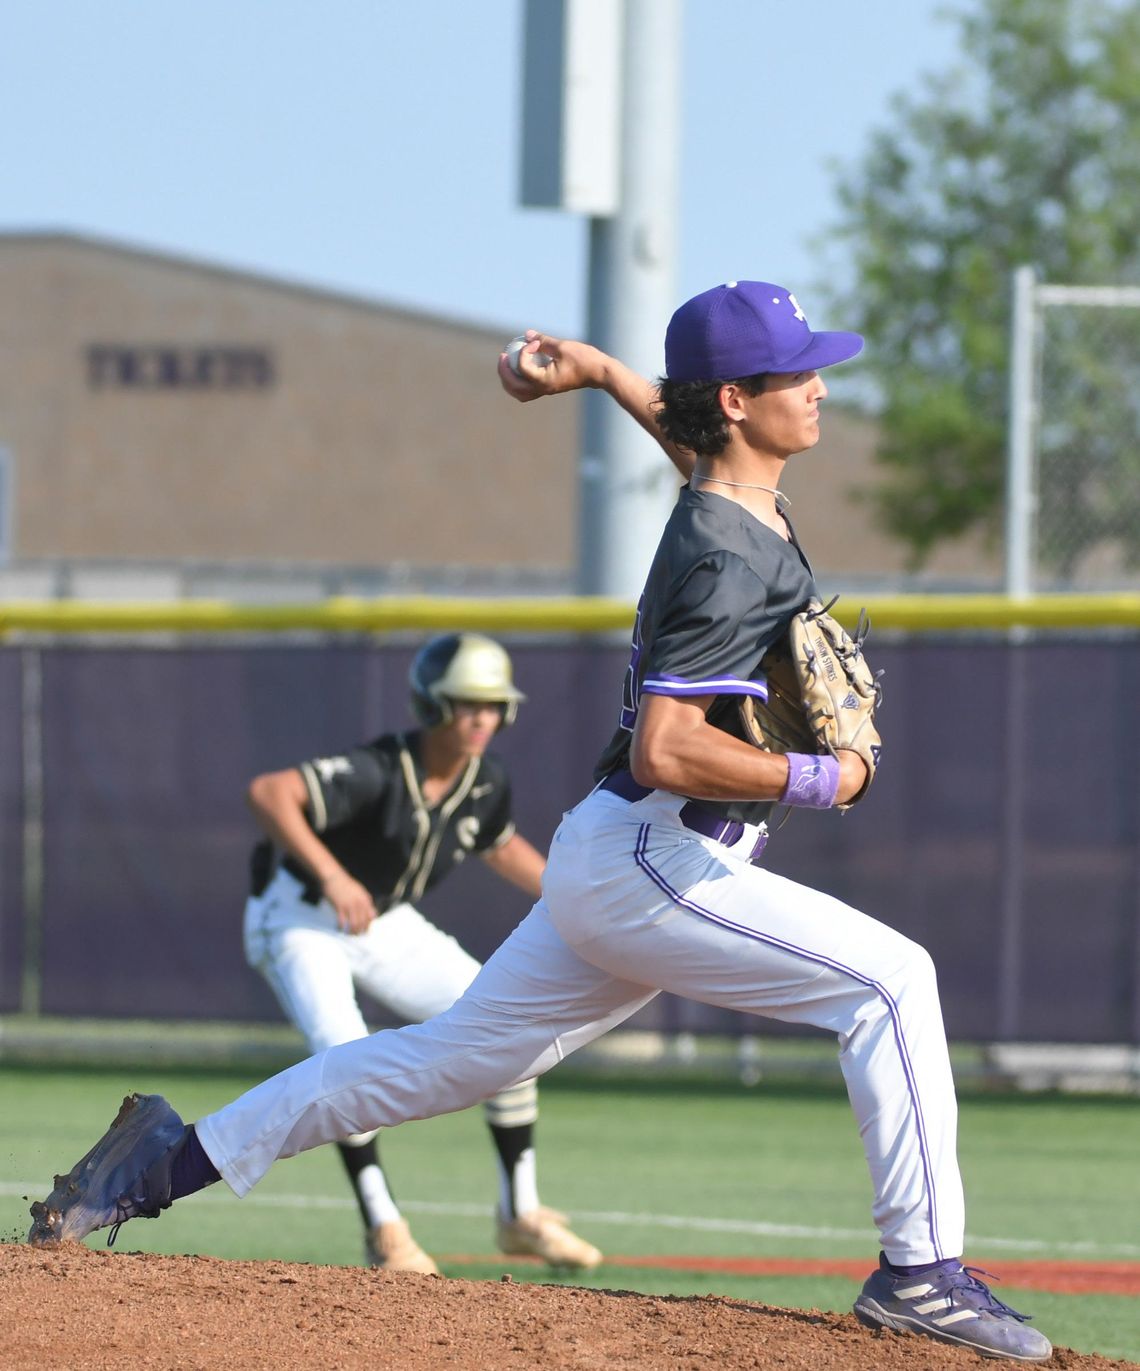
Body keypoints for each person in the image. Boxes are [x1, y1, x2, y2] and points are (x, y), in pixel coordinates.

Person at [30, 281, 1051, 1363]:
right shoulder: (721, 549)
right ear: (741, 401)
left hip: (615, 857)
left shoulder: (732, 496)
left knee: (439, 1063)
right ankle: (920, 1272)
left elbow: (691, 443)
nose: (823, 387)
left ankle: (162, 1162)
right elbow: (666, 747)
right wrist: (822, 780)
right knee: (892, 982)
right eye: (799, 373)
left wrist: (606, 371)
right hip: (658, 856)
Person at [240, 631, 601, 1272]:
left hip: (381, 918)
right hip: (297, 916)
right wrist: (333, 875)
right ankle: (385, 1229)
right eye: (467, 703)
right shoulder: (382, 768)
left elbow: (499, 845)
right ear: (432, 704)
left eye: (493, 705)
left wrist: (574, 895)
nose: (482, 718)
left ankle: (519, 1213)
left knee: (506, 1022)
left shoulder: (485, 782)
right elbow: (270, 793)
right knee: (343, 1056)